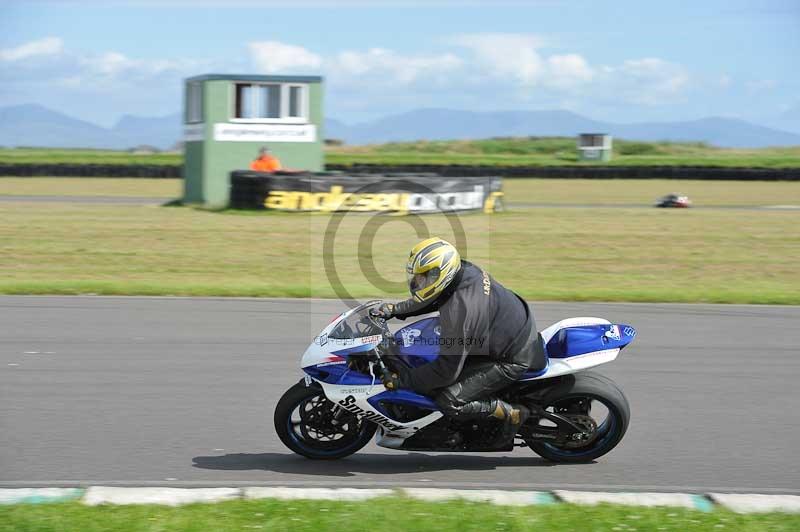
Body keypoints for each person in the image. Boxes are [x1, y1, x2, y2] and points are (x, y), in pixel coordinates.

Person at [371, 237, 547, 446]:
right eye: (416, 275)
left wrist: (402, 381)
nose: (417, 282)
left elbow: (446, 371)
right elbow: (438, 295)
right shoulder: (462, 271)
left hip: (512, 357)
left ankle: (514, 414)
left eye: (423, 277)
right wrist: (396, 310)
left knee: (448, 400)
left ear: (440, 273)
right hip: (506, 327)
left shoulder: (461, 313)